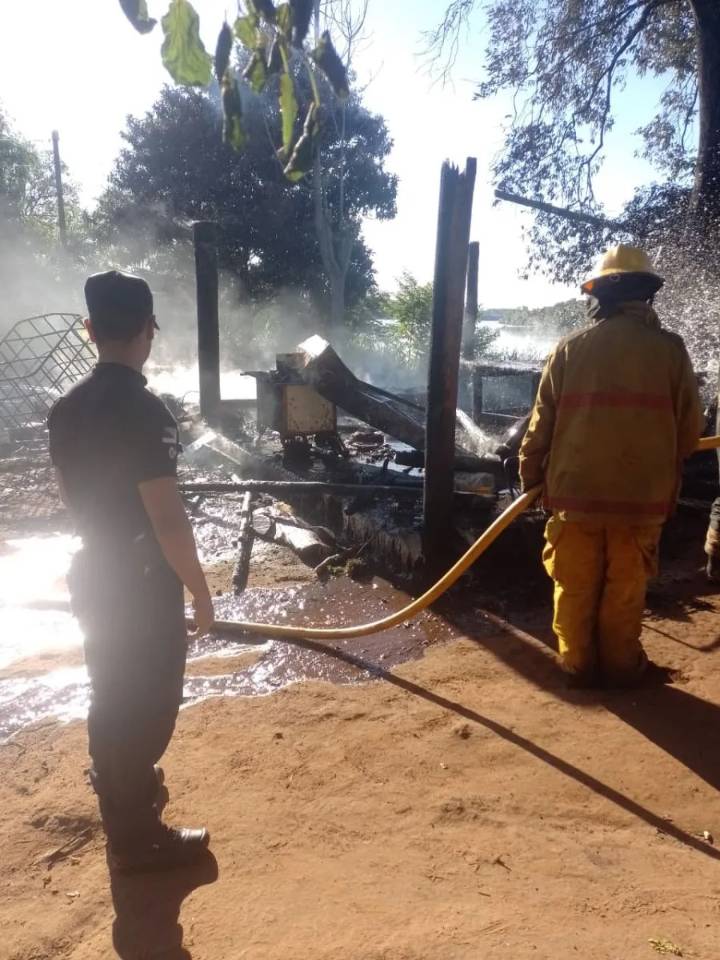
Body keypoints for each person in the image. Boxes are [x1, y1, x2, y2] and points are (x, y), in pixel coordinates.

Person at [48, 270, 215, 871]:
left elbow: (72, 498)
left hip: (94, 571)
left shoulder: (64, 411)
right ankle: (139, 836)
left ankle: (123, 820)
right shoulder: (149, 414)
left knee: (110, 694)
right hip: (143, 583)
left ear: (90, 329)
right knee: (150, 702)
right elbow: (168, 520)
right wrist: (200, 592)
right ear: (148, 331)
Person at [519, 245, 704, 688]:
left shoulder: (570, 348)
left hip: (575, 498)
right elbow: (691, 431)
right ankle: (622, 670)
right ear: (646, 295)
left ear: (601, 295)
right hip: (641, 501)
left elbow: (540, 425)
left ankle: (577, 668)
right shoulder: (671, 351)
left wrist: (530, 478)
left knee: (574, 586)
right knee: (625, 590)